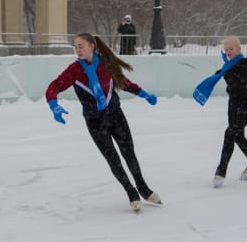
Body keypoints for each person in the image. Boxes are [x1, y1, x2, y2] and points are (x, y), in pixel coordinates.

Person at [45, 33, 161, 211]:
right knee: (113, 160)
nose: (78, 50)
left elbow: (124, 82)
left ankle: (143, 188)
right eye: (75, 46)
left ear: (92, 46)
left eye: (81, 45)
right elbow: (54, 86)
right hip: (95, 122)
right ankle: (131, 192)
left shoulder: (106, 63)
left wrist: (144, 94)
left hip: (116, 115)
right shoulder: (75, 70)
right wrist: (53, 104)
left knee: (129, 154)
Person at [193, 36, 247, 187]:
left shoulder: (245, 63)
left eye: (231, 49)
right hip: (233, 108)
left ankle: (221, 171)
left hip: (245, 107)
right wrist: (226, 66)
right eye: (226, 50)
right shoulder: (226, 69)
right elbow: (215, 77)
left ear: (239, 49)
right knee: (238, 136)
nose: (229, 52)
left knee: (230, 133)